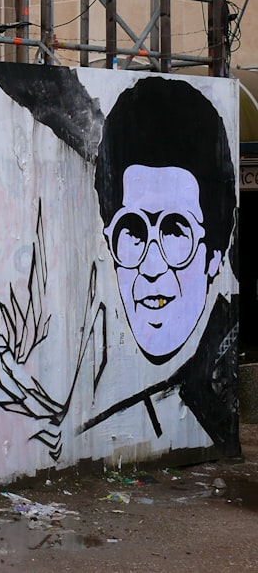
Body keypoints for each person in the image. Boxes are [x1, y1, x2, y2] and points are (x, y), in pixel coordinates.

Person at [86, 75, 237, 451]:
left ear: (214, 255)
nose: (152, 267)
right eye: (133, 231)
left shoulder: (213, 401)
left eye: (174, 231)